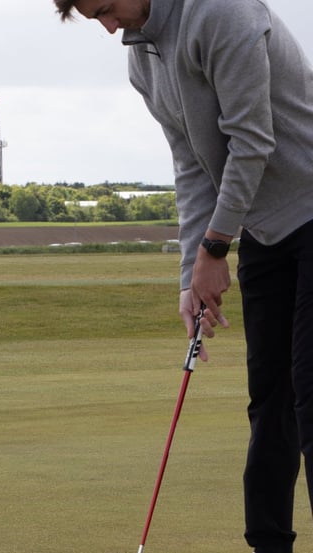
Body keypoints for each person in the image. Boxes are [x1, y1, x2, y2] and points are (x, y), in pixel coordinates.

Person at [53, 1, 313, 552]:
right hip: (266, 230)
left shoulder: (221, 11)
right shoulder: (142, 59)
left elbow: (252, 141)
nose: (106, 26)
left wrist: (216, 248)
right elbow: (192, 165)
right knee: (269, 399)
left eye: (104, 8)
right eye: (90, 17)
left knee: (311, 392)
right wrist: (189, 274)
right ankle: (269, 545)